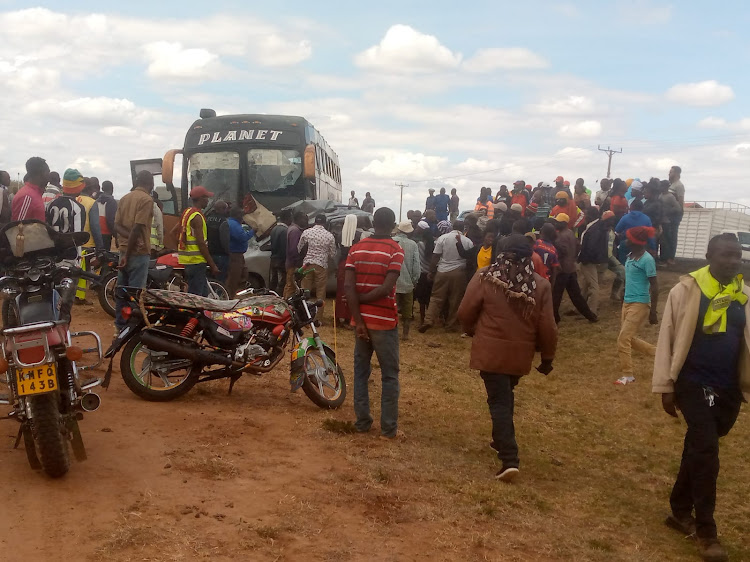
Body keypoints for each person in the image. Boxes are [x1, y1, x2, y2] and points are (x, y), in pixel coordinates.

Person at [653, 234, 748, 562]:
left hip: (729, 389)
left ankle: (679, 510)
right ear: (709, 255)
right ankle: (707, 532)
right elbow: (667, 338)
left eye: (737, 255)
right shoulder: (687, 290)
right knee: (707, 450)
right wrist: (665, 386)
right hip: (693, 383)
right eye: (725, 255)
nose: (733, 261)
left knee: (699, 445)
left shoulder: (743, 295)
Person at [458, 236, 557, 481]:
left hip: (491, 351)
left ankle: (509, 458)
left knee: (499, 401)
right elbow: (548, 327)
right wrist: (547, 358)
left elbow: (465, 311)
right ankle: (498, 439)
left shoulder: (486, 276)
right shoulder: (540, 285)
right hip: (519, 356)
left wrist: (471, 330)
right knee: (505, 395)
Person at [345, 207, 404, 439]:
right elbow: (386, 288)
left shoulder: (356, 248)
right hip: (384, 322)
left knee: (361, 372)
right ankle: (388, 429)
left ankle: (362, 422)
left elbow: (349, 287)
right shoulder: (395, 250)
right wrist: (364, 299)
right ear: (392, 225)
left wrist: (358, 317)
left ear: (372, 223)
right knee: (389, 375)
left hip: (361, 321)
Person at [114, 171, 154, 331]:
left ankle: (119, 327)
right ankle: (132, 329)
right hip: (138, 253)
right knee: (135, 295)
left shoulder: (124, 198)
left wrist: (126, 252)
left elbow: (116, 226)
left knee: (121, 293)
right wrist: (133, 243)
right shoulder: (146, 200)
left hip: (123, 251)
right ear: (150, 183)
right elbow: (138, 227)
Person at [617, 226, 658, 379]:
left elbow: (654, 286)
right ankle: (660, 354)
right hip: (627, 301)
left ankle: (628, 375)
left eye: (629, 238)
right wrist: (623, 291)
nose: (626, 240)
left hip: (640, 303)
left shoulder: (647, 260)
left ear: (635, 242)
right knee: (629, 339)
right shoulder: (630, 256)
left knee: (623, 339)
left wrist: (653, 311)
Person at [419, 220, 473, 333]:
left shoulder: (442, 238)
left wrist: (431, 271)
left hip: (442, 271)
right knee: (455, 299)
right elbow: (469, 259)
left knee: (436, 297)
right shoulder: (468, 241)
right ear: (464, 229)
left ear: (453, 227)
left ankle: (428, 320)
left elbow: (436, 256)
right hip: (459, 272)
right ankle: (451, 325)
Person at [551, 214, 598, 323]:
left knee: (556, 295)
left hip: (563, 270)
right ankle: (590, 316)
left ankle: (554, 318)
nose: (556, 224)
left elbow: (562, 251)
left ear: (563, 223)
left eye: (557, 222)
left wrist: (554, 245)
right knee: (576, 296)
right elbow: (578, 247)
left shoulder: (561, 236)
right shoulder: (571, 233)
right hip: (571, 268)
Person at [175, 186, 220, 296]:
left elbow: (173, 232)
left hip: (187, 262)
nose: (208, 201)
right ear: (201, 199)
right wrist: (212, 264)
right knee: (197, 297)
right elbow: (201, 243)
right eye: (207, 198)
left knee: (203, 294)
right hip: (197, 262)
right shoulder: (197, 217)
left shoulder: (187, 213)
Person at [298, 214, 336, 318]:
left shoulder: (306, 232)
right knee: (320, 292)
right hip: (321, 265)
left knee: (305, 290)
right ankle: (318, 318)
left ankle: (303, 315)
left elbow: (299, 248)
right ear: (325, 223)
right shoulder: (329, 236)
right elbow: (333, 254)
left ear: (315, 222)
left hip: (307, 264)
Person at [578, 207, 610, 316]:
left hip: (590, 260)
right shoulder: (598, 226)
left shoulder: (594, 228)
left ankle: (591, 311)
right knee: (586, 284)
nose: (585, 217)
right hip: (596, 259)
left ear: (590, 216)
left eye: (586, 214)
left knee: (592, 285)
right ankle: (581, 308)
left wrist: (585, 259)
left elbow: (591, 247)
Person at [392, 221, 420, 341]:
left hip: (392, 282)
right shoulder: (413, 244)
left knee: (392, 309)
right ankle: (405, 334)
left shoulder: (392, 241)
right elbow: (416, 265)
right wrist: (414, 280)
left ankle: (392, 332)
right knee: (407, 311)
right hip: (408, 282)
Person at [47, 168, 86, 236]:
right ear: (77, 188)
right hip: (70, 246)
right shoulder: (78, 208)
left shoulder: (50, 204)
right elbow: (78, 236)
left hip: (52, 245)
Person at [225, 207, 254, 297]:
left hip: (238, 255)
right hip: (235, 255)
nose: (243, 217)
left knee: (243, 274)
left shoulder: (233, 223)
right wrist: (253, 231)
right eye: (241, 215)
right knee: (234, 278)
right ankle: (230, 296)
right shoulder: (234, 225)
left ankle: (237, 294)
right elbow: (242, 238)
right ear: (237, 215)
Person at [12, 157, 49, 222]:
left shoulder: (35, 194)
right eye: (47, 173)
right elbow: (18, 228)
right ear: (41, 173)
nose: (49, 177)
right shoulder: (26, 196)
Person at [414, 221, 434, 328]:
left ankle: (422, 320)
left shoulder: (420, 245)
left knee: (421, 300)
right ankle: (429, 319)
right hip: (431, 274)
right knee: (429, 298)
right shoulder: (434, 245)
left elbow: (417, 259)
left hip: (422, 274)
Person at [283, 211, 308, 297]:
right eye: (304, 219)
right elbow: (294, 249)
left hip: (290, 262)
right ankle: (285, 305)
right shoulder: (295, 231)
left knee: (289, 285)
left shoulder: (292, 228)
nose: (306, 221)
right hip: (293, 263)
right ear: (299, 219)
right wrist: (297, 263)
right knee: (291, 286)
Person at [205, 200, 231, 284]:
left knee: (210, 280)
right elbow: (225, 240)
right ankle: (219, 295)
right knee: (220, 280)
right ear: (222, 209)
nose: (227, 211)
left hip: (209, 253)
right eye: (226, 209)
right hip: (221, 255)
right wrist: (229, 252)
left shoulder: (207, 218)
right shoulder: (223, 221)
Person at [659, 180, 683, 265]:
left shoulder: (670, 197)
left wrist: (668, 211)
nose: (661, 188)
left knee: (667, 241)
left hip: (667, 222)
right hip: (661, 221)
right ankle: (662, 258)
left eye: (662, 186)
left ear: (666, 187)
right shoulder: (660, 195)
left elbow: (678, 208)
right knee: (662, 241)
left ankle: (668, 258)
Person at [665, 167, 685, 266]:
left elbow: (680, 201)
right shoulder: (671, 184)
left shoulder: (679, 185)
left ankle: (671, 258)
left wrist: (679, 212)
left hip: (674, 214)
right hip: (668, 214)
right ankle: (666, 256)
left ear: (676, 173)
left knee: (672, 235)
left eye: (671, 172)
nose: (669, 173)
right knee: (667, 235)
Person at [268, 209, 291, 295]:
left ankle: (271, 297)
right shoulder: (285, 231)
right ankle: (279, 298)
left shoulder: (274, 229)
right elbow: (284, 248)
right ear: (287, 218)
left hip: (273, 258)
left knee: (274, 281)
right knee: (282, 281)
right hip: (281, 260)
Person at [97, 180, 118, 250]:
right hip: (106, 233)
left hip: (97, 231)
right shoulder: (112, 202)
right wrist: (116, 236)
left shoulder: (96, 200)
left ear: (102, 189)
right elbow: (111, 220)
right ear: (112, 189)